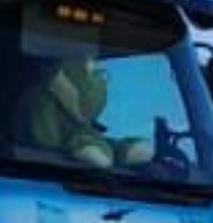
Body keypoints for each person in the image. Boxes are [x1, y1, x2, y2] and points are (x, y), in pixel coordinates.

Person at [16, 56, 152, 170]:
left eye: (98, 72)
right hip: (44, 169)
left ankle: (124, 151)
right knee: (86, 143)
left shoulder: (87, 125)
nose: (101, 79)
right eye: (93, 72)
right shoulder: (40, 99)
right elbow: (45, 139)